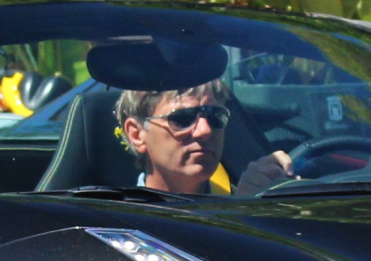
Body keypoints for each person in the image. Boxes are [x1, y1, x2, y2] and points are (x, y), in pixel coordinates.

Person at [116, 81, 289, 195]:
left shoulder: (242, 194)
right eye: (182, 118)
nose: (204, 130)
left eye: (215, 116)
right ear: (137, 135)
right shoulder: (118, 228)